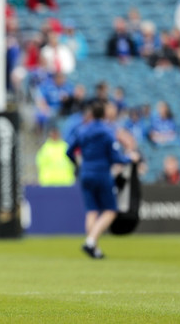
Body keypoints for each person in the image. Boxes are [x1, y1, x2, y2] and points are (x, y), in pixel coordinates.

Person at [66, 101, 139, 259]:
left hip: (85, 173)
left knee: (91, 211)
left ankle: (93, 247)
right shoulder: (107, 132)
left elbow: (69, 151)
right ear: (104, 114)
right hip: (102, 173)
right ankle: (91, 241)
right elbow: (115, 157)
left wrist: (78, 164)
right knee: (110, 210)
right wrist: (129, 158)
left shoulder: (82, 131)